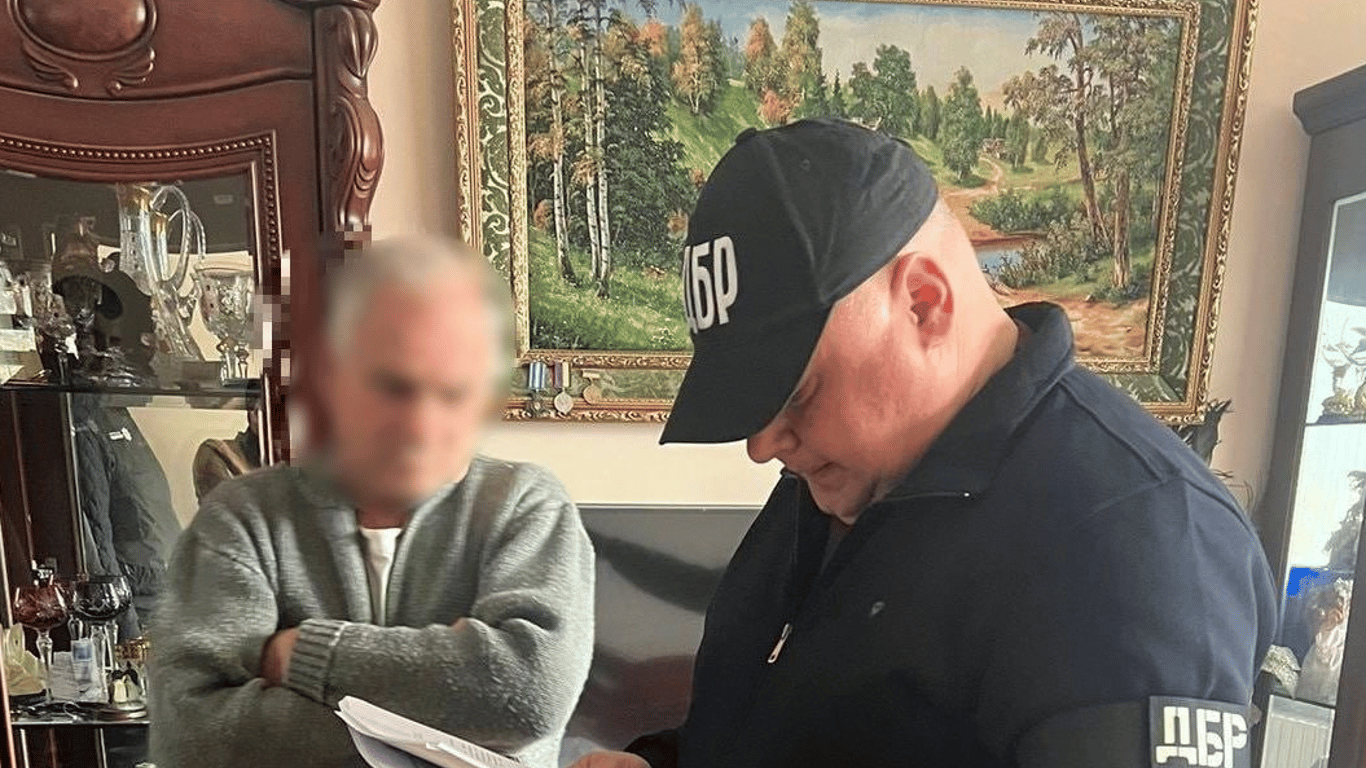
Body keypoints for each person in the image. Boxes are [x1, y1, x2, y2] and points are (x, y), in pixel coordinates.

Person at [573, 119, 1278, 768]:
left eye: (796, 392)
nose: (763, 444)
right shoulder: (837, 478)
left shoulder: (1138, 542)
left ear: (924, 302)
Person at [149, 236, 595, 768]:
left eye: (454, 393)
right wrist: (452, 728)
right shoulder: (241, 520)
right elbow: (194, 739)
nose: (421, 425)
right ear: (332, 376)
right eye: (393, 387)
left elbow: (526, 694)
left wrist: (305, 655)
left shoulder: (525, 508)